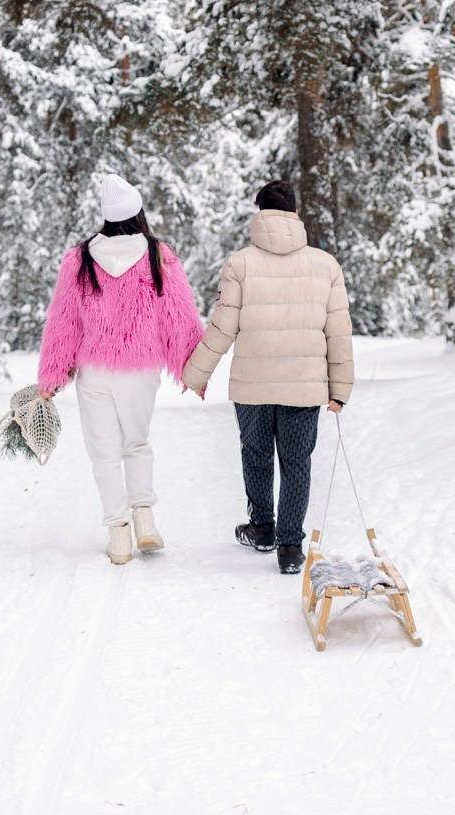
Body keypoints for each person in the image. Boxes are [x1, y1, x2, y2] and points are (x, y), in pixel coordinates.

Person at [182, 179, 354, 575]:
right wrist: (340, 389)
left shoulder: (240, 264)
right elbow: (338, 333)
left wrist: (196, 375)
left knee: (256, 454)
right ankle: (290, 547)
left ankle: (261, 528)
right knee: (296, 463)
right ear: (295, 213)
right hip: (304, 384)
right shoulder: (325, 265)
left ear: (260, 214)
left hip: (253, 384)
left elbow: (223, 326)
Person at [38, 174, 205, 564]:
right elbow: (179, 315)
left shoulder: (80, 258)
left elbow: (64, 321)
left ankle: (118, 535)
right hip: (140, 369)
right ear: (137, 211)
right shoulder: (158, 254)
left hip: (94, 369)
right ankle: (144, 521)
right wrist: (194, 372)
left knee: (104, 452)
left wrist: (52, 374)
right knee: (136, 443)